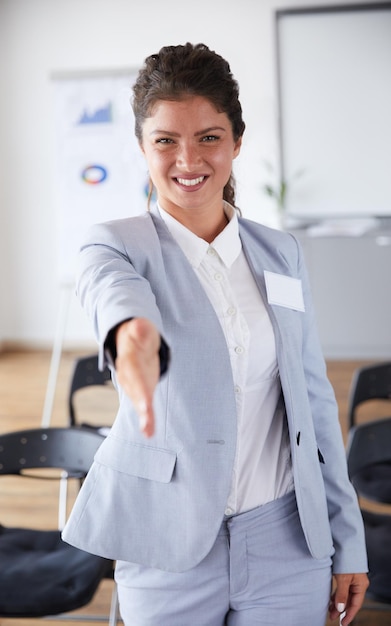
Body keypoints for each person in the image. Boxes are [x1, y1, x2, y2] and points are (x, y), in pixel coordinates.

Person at [62, 43, 369, 625]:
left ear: (235, 142)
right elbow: (113, 293)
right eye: (165, 140)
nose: (188, 159)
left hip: (286, 537)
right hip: (167, 540)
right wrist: (132, 335)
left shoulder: (280, 253)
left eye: (208, 137)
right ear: (141, 147)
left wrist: (345, 539)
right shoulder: (115, 242)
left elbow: (313, 403)